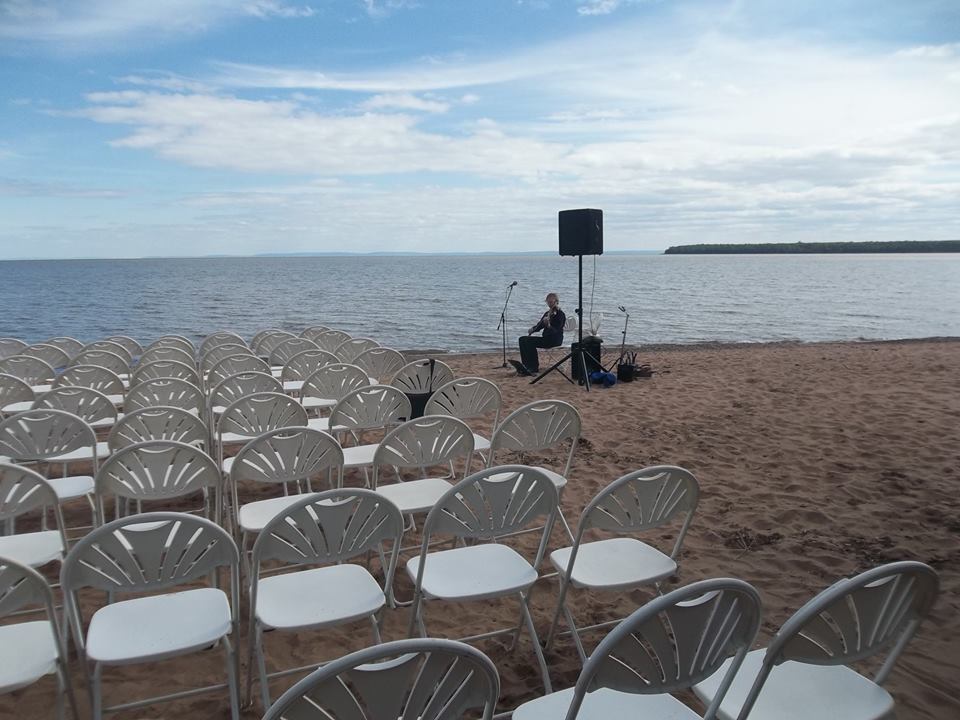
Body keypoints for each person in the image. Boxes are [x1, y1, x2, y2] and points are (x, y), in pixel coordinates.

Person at [510, 292, 566, 376]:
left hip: (554, 340)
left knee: (530, 342)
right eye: (548, 302)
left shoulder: (560, 314)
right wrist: (533, 329)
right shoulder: (547, 313)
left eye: (551, 302)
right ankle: (526, 365)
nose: (549, 304)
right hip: (546, 338)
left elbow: (556, 330)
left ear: (556, 302)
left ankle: (533, 367)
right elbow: (539, 326)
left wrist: (549, 325)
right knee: (522, 339)